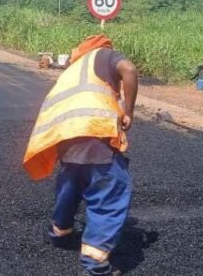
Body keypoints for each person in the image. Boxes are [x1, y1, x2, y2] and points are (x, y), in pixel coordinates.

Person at [24, 34, 138, 276]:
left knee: (71, 184)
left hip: (66, 137)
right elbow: (129, 69)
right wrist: (129, 111)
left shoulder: (72, 69)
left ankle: (60, 232)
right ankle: (95, 265)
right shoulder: (104, 54)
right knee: (110, 192)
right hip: (96, 135)